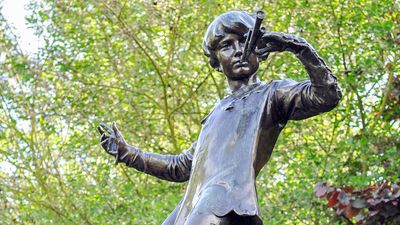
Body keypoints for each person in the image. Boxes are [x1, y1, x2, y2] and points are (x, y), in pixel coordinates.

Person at [97, 11, 342, 225]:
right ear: (216, 59)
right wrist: (127, 153)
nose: (237, 52)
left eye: (244, 42)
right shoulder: (214, 116)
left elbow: (328, 95)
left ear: (260, 48)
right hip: (197, 201)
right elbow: (181, 167)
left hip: (229, 202)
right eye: (226, 46)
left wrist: (295, 46)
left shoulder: (273, 94)